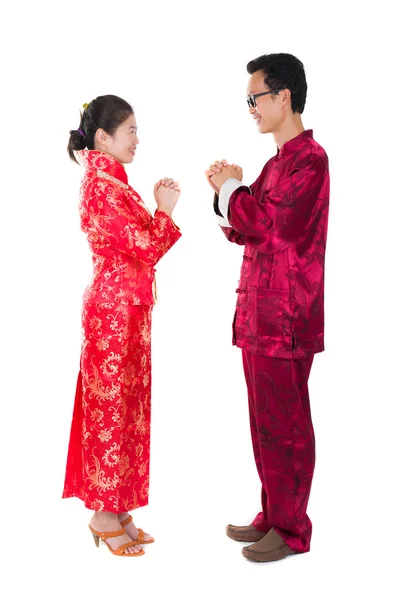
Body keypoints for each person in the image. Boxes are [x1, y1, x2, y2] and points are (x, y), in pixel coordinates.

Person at [205, 53, 330, 562]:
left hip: (287, 318)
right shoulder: (276, 162)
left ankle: (293, 530)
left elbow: (269, 226)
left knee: (288, 426)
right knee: (264, 423)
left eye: (255, 98)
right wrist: (231, 190)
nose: (251, 108)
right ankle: (273, 514)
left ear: (283, 96)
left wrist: (230, 188)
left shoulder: (310, 160)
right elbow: (241, 227)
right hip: (259, 315)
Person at [63, 95, 181, 556]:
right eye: (129, 130)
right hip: (113, 315)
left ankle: (117, 504)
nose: (137, 139)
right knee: (111, 411)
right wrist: (165, 209)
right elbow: (146, 248)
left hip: (127, 312)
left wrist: (157, 211)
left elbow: (139, 247)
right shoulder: (101, 187)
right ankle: (102, 513)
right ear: (103, 138)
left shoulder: (112, 182)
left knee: (128, 407)